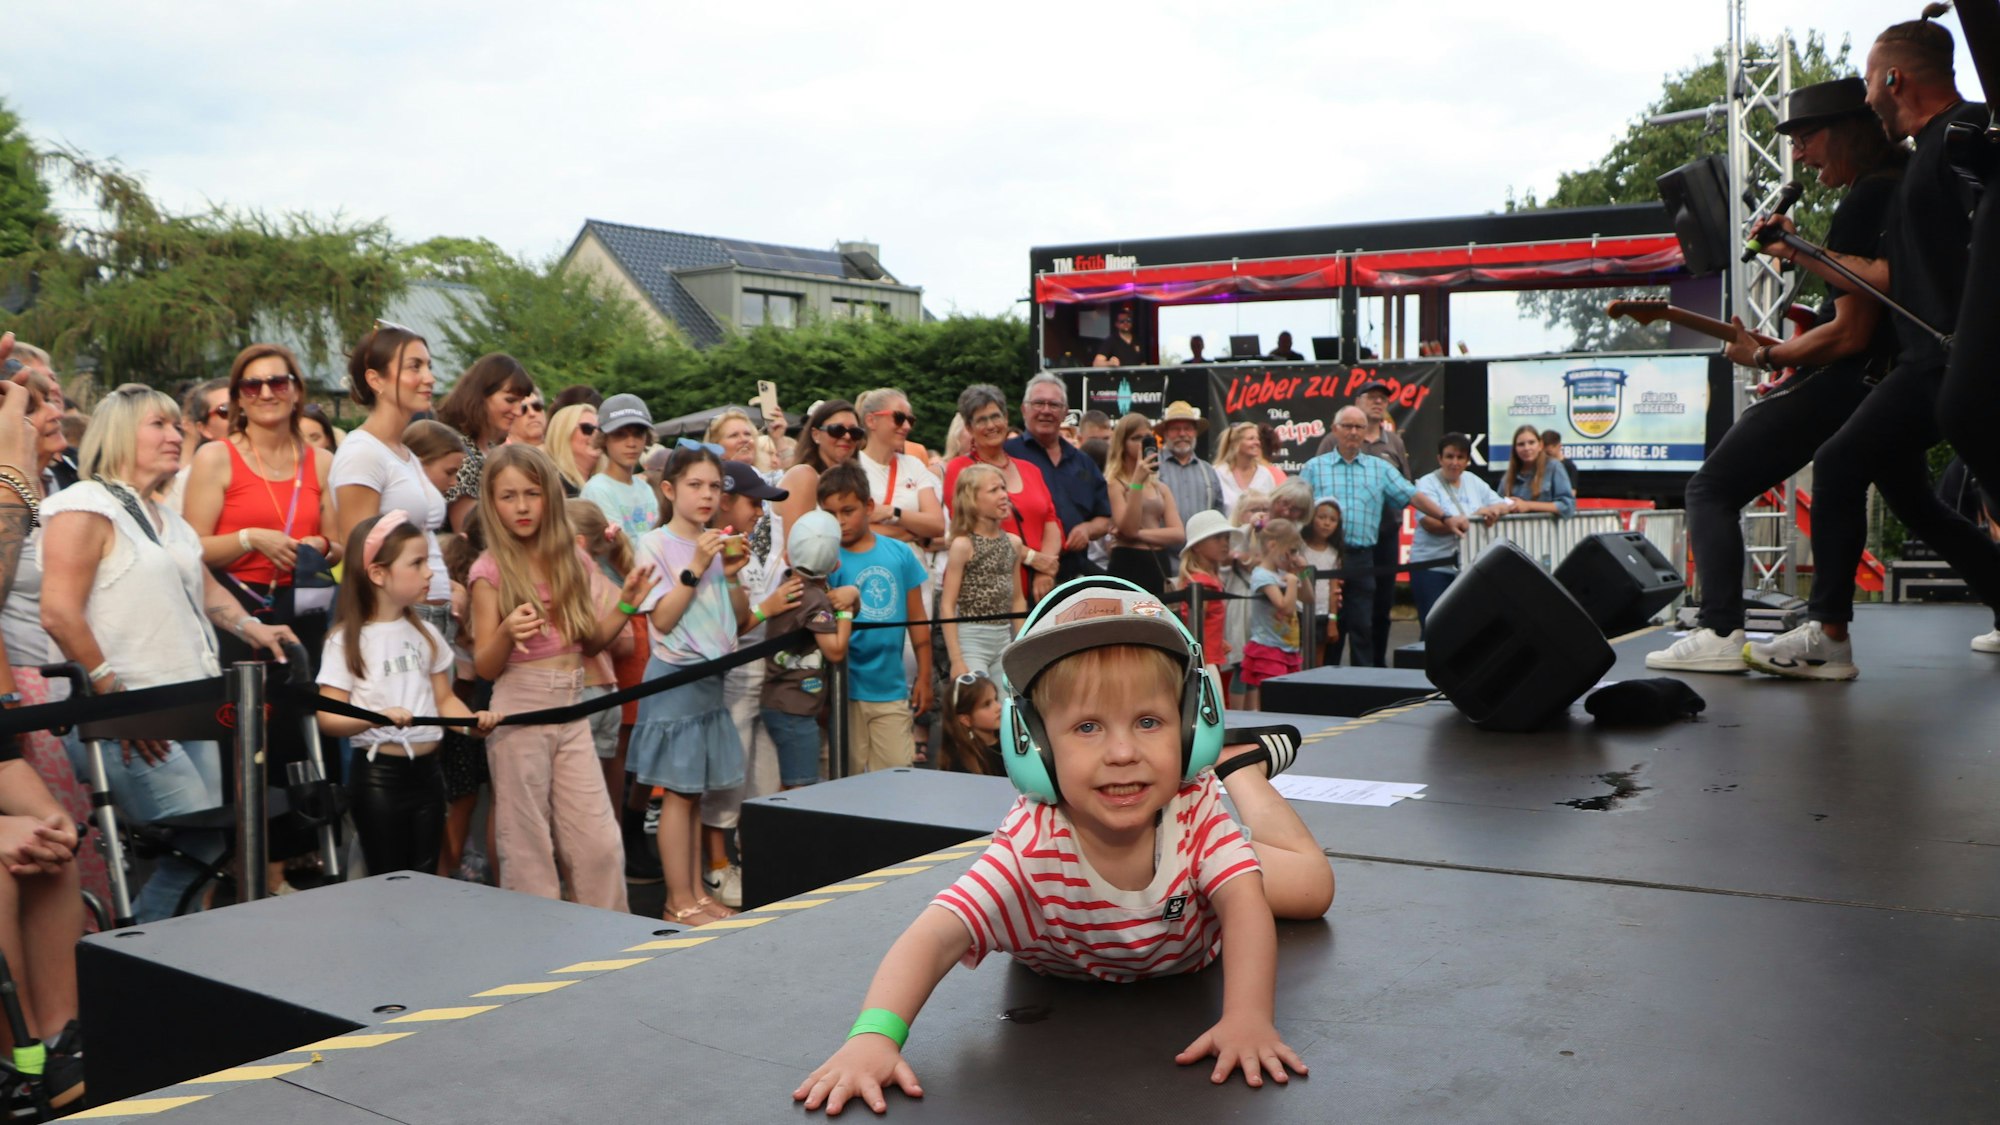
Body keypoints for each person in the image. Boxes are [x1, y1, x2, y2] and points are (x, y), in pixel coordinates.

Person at [792, 582, 1334, 1116]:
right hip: (1081, 955)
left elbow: (1242, 909)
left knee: (1313, 889)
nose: (1123, 752)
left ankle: (1241, 771)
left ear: (1193, 730)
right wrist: (873, 1038)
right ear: (1032, 746)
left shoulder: (1193, 813)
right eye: (1087, 726)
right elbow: (932, 938)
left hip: (1193, 915)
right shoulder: (1029, 850)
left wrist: (1248, 1017)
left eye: (1149, 722)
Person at [1744, 18, 2000, 676]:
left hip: (1954, 358)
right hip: (1930, 360)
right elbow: (1893, 281)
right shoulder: (1924, 161)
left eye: (1867, 80)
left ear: (1894, 79)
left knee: (1841, 464)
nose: (1866, 95)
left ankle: (1828, 635)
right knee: (1879, 481)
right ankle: (1834, 633)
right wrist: (1801, 250)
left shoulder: (1963, 137)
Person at [1648, 77, 1902, 673]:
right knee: (1917, 505)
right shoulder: (1900, 187)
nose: (1797, 153)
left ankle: (1718, 632)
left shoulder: (1867, 200)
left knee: (1710, 489)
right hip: (1887, 379)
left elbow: (1852, 332)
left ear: (1847, 133)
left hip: (1855, 378)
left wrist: (1767, 357)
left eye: (1805, 137)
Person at [40, 384, 299, 921]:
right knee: (201, 844)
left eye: (177, 424)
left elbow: (207, 591)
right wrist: (116, 696)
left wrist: (256, 628)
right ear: (117, 434)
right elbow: (59, 612)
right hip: (131, 713)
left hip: (192, 704)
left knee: (211, 841)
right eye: (157, 424)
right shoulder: (83, 504)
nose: (174, 433)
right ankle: (132, 954)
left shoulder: (166, 517)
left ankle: (167, 959)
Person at [470, 445, 652, 912]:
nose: (523, 506)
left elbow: (591, 643)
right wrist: (509, 633)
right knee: (528, 854)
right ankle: (536, 960)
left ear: (551, 496)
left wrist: (628, 602)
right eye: (508, 496)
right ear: (491, 503)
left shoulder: (572, 559)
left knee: (599, 844)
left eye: (532, 493)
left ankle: (613, 947)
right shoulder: (489, 569)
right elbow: (484, 667)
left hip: (573, 708)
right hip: (520, 709)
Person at [318, 511, 498, 876]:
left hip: (429, 774)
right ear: (379, 574)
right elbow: (329, 717)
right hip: (378, 777)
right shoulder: (346, 641)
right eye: (416, 563)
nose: (429, 572)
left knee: (424, 873)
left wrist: (471, 723)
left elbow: (444, 699)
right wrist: (376, 718)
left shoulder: (426, 635)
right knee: (388, 875)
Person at [628, 444, 749, 924]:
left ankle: (695, 893)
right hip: (676, 677)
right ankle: (677, 900)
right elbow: (662, 617)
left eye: (714, 486)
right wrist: (697, 566)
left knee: (694, 793)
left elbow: (736, 622)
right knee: (677, 795)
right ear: (669, 489)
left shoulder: (715, 542)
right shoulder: (656, 544)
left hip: (710, 680)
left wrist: (734, 576)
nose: (706, 495)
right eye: (695, 485)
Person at [182, 343, 340, 676]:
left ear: (296, 390)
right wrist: (249, 539)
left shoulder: (322, 462)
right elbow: (190, 548)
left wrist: (319, 547)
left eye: (278, 383)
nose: (266, 393)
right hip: (236, 609)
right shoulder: (216, 457)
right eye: (252, 385)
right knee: (241, 720)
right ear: (239, 397)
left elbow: (338, 546)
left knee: (300, 721)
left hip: (303, 607)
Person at [1299, 406, 1457, 666]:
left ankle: (1364, 688)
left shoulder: (1379, 469)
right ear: (1335, 430)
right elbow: (1298, 509)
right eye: (1347, 426)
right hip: (1324, 559)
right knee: (1325, 629)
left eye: (1359, 427)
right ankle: (1324, 689)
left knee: (1363, 627)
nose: (1353, 432)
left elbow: (1412, 495)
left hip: (1361, 559)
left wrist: (1445, 517)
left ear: (1365, 432)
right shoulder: (1314, 468)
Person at [329, 325, 453, 639]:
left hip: (431, 617)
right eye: (415, 366)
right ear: (376, 380)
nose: (429, 378)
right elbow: (360, 554)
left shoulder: (405, 454)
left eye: (429, 366)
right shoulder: (363, 453)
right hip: (394, 622)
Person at [822, 464, 933, 773]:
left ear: (868, 507)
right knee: (849, 780)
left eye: (848, 510)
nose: (840, 521)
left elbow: (918, 621)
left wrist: (925, 676)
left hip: (891, 689)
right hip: (844, 691)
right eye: (830, 513)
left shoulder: (900, 553)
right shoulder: (826, 559)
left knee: (897, 774)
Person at [760, 510, 853, 790]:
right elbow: (835, 650)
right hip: (795, 710)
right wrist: (846, 612)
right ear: (835, 564)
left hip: (781, 702)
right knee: (799, 788)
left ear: (789, 557)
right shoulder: (815, 600)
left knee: (790, 783)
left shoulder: (789, 583)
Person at [942, 385, 1061, 602]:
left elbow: (1051, 522)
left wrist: (1046, 568)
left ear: (1006, 418)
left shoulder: (1031, 470)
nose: (990, 425)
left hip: (1040, 588)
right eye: (981, 420)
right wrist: (1033, 558)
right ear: (969, 427)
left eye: (995, 416)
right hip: (988, 590)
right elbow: (971, 529)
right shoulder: (960, 469)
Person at [1009, 374, 1112, 583]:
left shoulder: (1083, 462)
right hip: (1019, 577)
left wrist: (1087, 529)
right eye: (1038, 403)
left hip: (1074, 576)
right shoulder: (1007, 455)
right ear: (1024, 409)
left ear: (1065, 412)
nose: (1046, 410)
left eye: (1054, 405)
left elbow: (1105, 518)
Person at [1411, 433, 1508, 632]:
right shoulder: (1426, 483)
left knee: (1465, 629)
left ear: (1467, 461)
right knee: (1434, 627)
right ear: (1439, 458)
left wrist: (1494, 512)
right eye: (1449, 456)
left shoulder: (1473, 481)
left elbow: (1503, 503)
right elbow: (1430, 523)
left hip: (1466, 568)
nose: (1454, 462)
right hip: (1432, 566)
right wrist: (1475, 516)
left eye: (1460, 457)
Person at [941, 465, 1026, 684]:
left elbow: (1017, 599)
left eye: (1003, 488)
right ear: (972, 501)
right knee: (977, 703)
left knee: (1008, 703)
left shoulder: (1013, 544)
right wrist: (957, 659)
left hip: (1004, 638)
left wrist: (1022, 644)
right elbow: (947, 605)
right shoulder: (963, 546)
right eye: (993, 490)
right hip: (971, 639)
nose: (1003, 495)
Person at [436, 352, 533, 533]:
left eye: (521, 403)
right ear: (480, 396)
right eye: (510, 400)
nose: (518, 411)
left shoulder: (491, 450)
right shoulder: (459, 451)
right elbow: (469, 532)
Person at [1103, 413, 1185, 600]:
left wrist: (1139, 535)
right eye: (1136, 438)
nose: (1142, 443)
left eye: (1147, 438)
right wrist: (1137, 483)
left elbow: (1178, 534)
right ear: (1122, 443)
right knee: (1129, 626)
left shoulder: (1160, 487)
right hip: (1128, 564)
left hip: (1158, 564)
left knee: (1156, 624)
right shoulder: (1114, 483)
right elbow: (1129, 527)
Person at [855, 388, 946, 549]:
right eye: (899, 418)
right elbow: (850, 528)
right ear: (871, 421)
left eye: (910, 420)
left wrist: (891, 512)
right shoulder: (852, 466)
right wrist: (911, 533)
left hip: (914, 570)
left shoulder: (914, 465)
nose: (906, 426)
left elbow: (937, 525)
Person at [774, 399, 863, 541]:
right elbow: (797, 548)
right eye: (837, 430)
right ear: (816, 435)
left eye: (855, 432)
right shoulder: (804, 477)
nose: (847, 437)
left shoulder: (853, 483)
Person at [1241, 519, 1306, 710]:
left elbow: (1308, 597)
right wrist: (1293, 582)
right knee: (1272, 701)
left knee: (1286, 701)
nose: (1294, 556)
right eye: (1291, 551)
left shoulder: (1282, 574)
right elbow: (1284, 607)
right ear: (1272, 546)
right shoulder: (1262, 575)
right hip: (1268, 649)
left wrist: (1301, 573)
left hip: (1287, 648)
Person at [580, 394, 660, 539]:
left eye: (638, 434)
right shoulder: (597, 490)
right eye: (620, 434)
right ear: (604, 439)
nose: (631, 443)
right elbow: (617, 548)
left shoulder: (645, 489)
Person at [1176, 509, 1237, 694]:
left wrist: (1218, 641)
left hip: (1211, 657)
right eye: (1217, 538)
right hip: (1205, 661)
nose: (1225, 543)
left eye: (1226, 537)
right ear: (1197, 546)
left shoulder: (1209, 579)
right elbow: (1193, 627)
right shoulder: (1202, 583)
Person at [1155, 400, 1226, 524]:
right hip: (1160, 543)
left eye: (1188, 429)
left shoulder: (1208, 471)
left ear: (1195, 433)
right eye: (1175, 429)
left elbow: (1218, 514)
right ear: (1165, 433)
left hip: (1201, 543)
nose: (1182, 434)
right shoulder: (1152, 466)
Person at [1301, 499, 1345, 666]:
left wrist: (1332, 620)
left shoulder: (1333, 554)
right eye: (1322, 517)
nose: (1326, 523)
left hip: (1321, 614)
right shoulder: (1300, 548)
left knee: (1317, 659)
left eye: (1332, 520)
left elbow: (1334, 589)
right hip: (1298, 612)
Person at [1500, 425, 1575, 517]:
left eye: (1531, 443)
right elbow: (1497, 503)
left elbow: (1567, 506)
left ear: (1540, 445)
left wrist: (1528, 506)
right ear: (1515, 449)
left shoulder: (1554, 467)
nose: (1527, 448)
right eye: (1521, 444)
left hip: (1546, 529)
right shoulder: (1508, 476)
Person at [938, 671, 1002, 776]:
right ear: (966, 720)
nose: (998, 707)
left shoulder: (1011, 741)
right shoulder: (961, 762)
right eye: (987, 704)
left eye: (995, 699)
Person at [1216, 421, 1283, 515]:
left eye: (1258, 439)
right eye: (1251, 438)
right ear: (1236, 443)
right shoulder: (1218, 473)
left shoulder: (1265, 474)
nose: (1257, 442)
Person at [542, 404, 599, 497]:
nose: (596, 434)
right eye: (587, 428)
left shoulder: (607, 483)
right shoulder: (553, 485)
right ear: (563, 434)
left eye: (600, 429)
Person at [1540, 430, 1580, 496]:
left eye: (1549, 453)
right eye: (1543, 452)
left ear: (1559, 446)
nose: (1546, 456)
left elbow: (1572, 492)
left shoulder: (1569, 466)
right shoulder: (1539, 465)